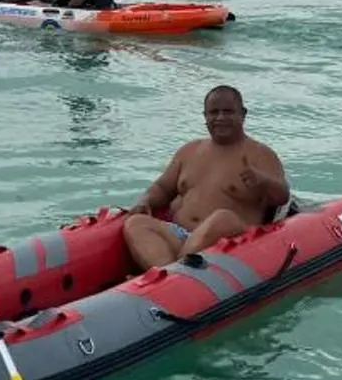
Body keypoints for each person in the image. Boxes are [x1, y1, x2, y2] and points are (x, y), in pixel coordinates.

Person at [120, 85, 291, 270]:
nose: (220, 118)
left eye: (228, 112)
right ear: (205, 116)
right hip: (181, 235)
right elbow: (163, 187)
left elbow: (282, 197)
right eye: (214, 112)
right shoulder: (189, 151)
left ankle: (177, 269)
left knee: (222, 218)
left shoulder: (261, 154)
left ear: (243, 114)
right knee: (136, 223)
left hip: (229, 241)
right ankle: (170, 274)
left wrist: (263, 181)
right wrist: (145, 200)